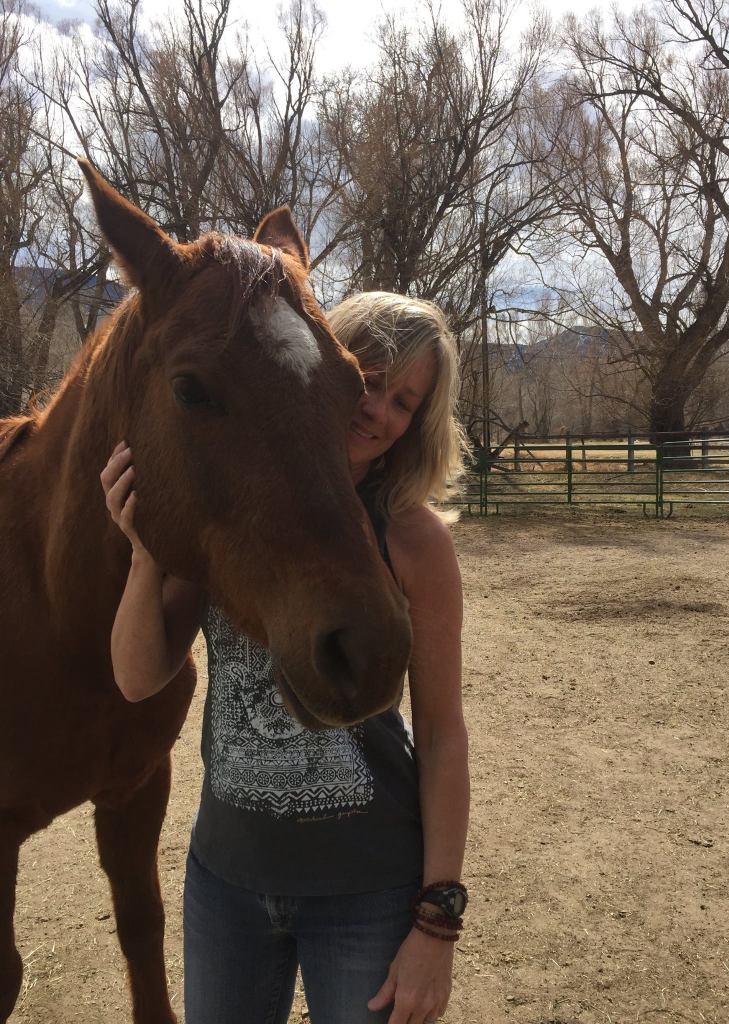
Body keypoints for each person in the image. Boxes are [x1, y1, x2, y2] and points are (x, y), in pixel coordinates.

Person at [101, 291, 470, 1024]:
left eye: (404, 402)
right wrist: (145, 554)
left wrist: (437, 924)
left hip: (368, 892)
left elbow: (441, 733)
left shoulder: (415, 541)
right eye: (368, 381)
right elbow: (138, 678)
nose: (379, 412)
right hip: (226, 884)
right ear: (321, 369)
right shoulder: (228, 505)